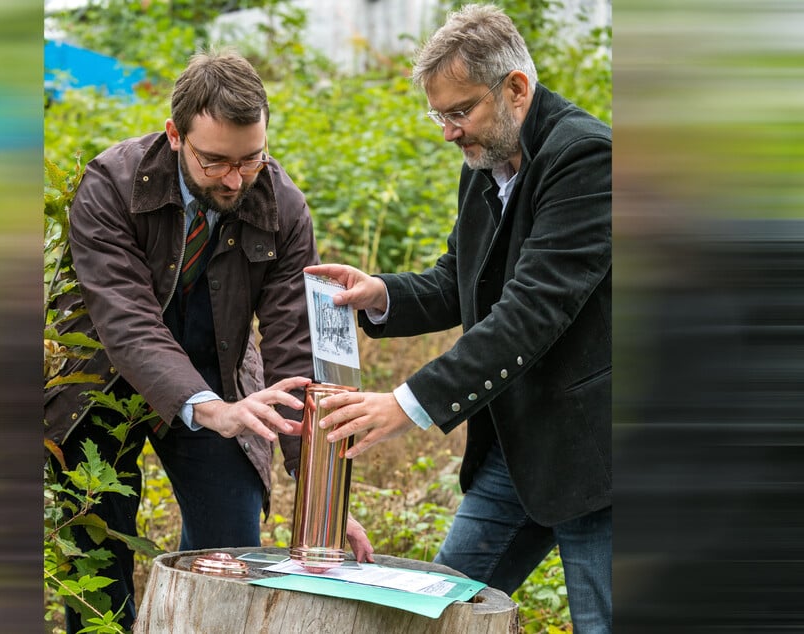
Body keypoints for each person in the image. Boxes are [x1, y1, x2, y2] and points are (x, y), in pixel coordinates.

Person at [305, 4, 611, 633]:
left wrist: (407, 402)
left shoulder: (587, 160)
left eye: (459, 111)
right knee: (438, 612)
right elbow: (459, 280)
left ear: (516, 89)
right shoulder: (488, 160)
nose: (448, 131)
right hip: (517, 443)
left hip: (597, 450)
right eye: (438, 114)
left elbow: (530, 312)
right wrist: (380, 294)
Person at [44, 51, 373, 632]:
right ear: (175, 135)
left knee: (231, 548)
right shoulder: (112, 184)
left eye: (252, 158)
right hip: (99, 374)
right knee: (97, 553)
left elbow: (295, 346)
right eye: (215, 161)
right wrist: (210, 410)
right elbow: (126, 321)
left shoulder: (282, 207)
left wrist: (323, 489)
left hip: (217, 364)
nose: (235, 179)